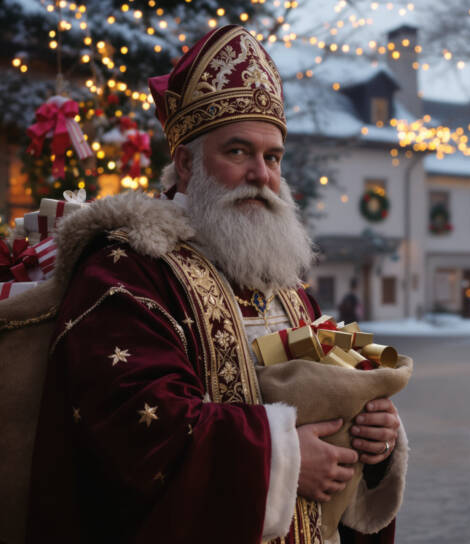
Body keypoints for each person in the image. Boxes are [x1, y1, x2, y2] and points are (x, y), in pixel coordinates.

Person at [26, 25, 406, 544]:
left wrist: (373, 437)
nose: (262, 175)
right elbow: (133, 426)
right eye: (238, 152)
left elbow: (337, 387)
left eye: (273, 157)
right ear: (185, 163)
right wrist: (283, 461)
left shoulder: (285, 285)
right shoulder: (127, 270)